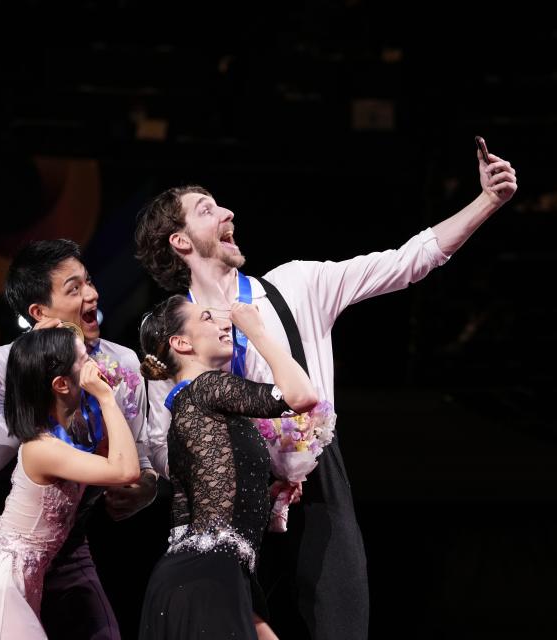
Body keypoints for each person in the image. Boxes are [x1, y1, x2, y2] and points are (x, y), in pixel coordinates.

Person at [133, 144, 518, 640]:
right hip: (225, 506)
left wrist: (486, 200)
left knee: (340, 626)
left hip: (315, 487)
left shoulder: (296, 284)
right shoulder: (174, 331)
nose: (228, 211)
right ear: (181, 242)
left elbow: (407, 261)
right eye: (207, 209)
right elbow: (165, 447)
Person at [0, 239, 158, 639]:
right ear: (39, 312)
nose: (92, 294)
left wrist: (144, 488)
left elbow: (138, 459)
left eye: (90, 282)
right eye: (74, 288)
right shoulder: (2, 363)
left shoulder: (124, 363)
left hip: (71, 537)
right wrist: (36, 375)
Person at [136, 295, 316, 639]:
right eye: (207, 318)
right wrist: (258, 332)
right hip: (210, 578)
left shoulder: (187, 411)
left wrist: (264, 495)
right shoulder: (208, 387)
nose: (223, 324)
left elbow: (202, 509)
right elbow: (302, 395)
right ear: (181, 343)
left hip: (192, 579)